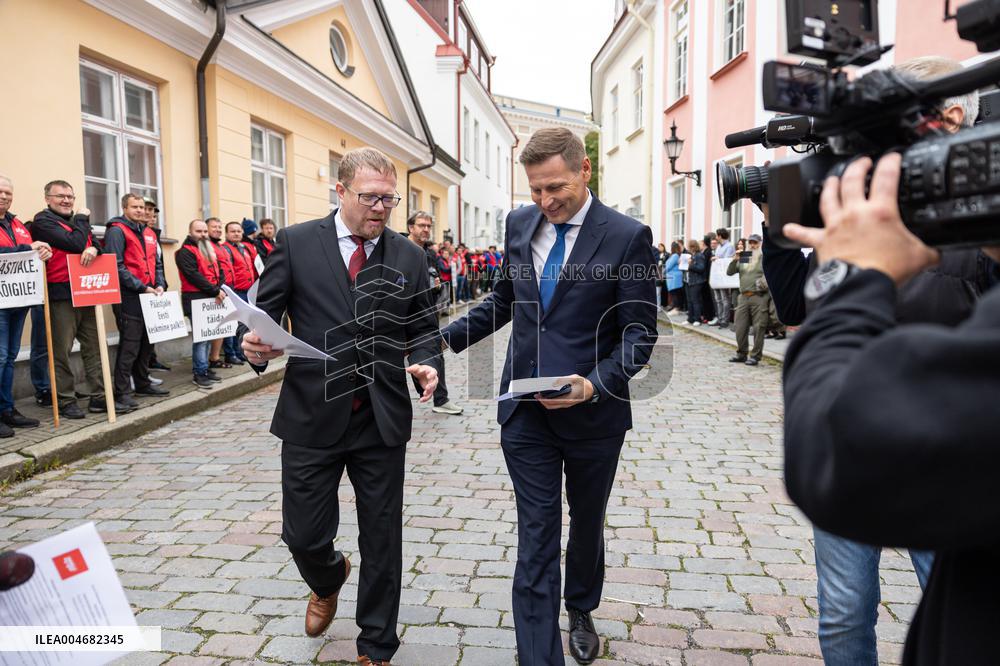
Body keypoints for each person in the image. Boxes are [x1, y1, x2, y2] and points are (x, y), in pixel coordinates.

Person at [762, 55, 991, 666]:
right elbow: (792, 305)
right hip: (873, 424)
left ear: (952, 123)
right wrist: (780, 225)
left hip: (944, 439)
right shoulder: (855, 224)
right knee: (843, 607)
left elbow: (817, 444)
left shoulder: (971, 233)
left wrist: (857, 278)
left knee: (940, 589)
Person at [441, 128, 658, 666]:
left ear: (586, 171)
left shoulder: (628, 236)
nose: (545, 201)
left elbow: (640, 334)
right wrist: (439, 340)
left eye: (556, 187)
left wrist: (593, 384)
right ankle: (538, 655)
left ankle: (581, 605)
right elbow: (504, 301)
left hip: (595, 415)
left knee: (587, 521)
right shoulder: (519, 224)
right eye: (535, 190)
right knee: (537, 532)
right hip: (525, 413)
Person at [241, 147, 439, 666]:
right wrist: (256, 347)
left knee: (382, 538)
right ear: (341, 191)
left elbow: (422, 329)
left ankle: (376, 645)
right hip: (310, 412)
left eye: (388, 200)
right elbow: (266, 316)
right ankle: (327, 578)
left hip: (381, 417)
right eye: (370, 198)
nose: (380, 208)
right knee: (303, 535)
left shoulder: (410, 256)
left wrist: (424, 361)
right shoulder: (296, 242)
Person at [29, 180, 125, 417]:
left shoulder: (77, 222)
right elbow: (73, 243)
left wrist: (95, 250)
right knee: (61, 350)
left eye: (70, 196)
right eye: (60, 196)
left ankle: (99, 397)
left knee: (94, 347)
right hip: (60, 293)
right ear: (47, 199)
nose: (66, 200)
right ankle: (65, 400)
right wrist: (83, 220)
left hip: (87, 290)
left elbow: (93, 243)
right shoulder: (43, 221)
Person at [104, 193, 169, 410]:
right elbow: (115, 265)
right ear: (125, 208)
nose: (140, 210)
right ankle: (121, 391)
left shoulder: (149, 232)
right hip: (129, 296)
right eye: (135, 207)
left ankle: (142, 382)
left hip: (150, 295)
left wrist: (159, 284)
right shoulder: (117, 230)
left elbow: (157, 263)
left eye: (142, 207)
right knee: (130, 344)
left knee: (147, 342)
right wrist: (141, 286)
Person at [0, 175, 51, 436]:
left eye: (8, 192)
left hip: (17, 300)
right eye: (0, 191)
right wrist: (26, 248)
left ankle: (6, 409)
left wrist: (42, 251)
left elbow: (30, 253)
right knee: (0, 357)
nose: (4, 196)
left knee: (9, 357)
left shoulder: (17, 224)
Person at [406, 211, 462, 416]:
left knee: (434, 353)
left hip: (427, 313)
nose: (426, 230)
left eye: (429, 226)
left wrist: (437, 287)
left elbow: (434, 280)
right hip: (404, 314)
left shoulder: (430, 253)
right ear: (411, 227)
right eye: (421, 225)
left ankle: (441, 398)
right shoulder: (401, 250)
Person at [175, 219, 224, 389]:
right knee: (201, 338)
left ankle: (205, 368)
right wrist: (215, 291)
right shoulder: (184, 252)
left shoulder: (208, 249)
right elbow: (193, 276)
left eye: (204, 231)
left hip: (210, 298)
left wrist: (220, 288)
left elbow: (219, 271)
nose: (203, 235)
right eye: (199, 231)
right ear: (190, 232)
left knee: (209, 334)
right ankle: (199, 372)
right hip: (195, 299)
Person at [726, 234, 771, 366]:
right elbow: (730, 272)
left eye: (755, 243)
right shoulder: (745, 256)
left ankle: (756, 356)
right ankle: (741, 353)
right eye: (751, 242)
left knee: (759, 328)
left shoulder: (763, 257)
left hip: (759, 296)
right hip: (743, 296)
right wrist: (735, 259)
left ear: (760, 244)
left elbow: (770, 275)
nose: (753, 245)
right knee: (740, 327)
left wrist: (764, 282)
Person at [143, 196, 171, 374]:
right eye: (145, 209)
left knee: (151, 332)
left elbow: (157, 263)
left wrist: (162, 283)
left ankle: (149, 363)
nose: (149, 214)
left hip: (156, 289)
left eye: (152, 211)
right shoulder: (132, 232)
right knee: (137, 337)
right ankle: (141, 372)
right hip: (141, 289)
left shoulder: (153, 234)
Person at [222, 221, 255, 359]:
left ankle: (240, 351)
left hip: (247, 291)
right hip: (236, 292)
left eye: (238, 231)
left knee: (244, 324)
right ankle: (231, 354)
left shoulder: (244, 248)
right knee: (233, 324)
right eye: (232, 231)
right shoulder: (225, 249)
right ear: (227, 233)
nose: (236, 234)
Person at [712, 228, 737, 327]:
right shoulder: (718, 247)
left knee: (725, 299)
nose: (716, 237)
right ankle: (720, 318)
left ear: (720, 236)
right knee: (718, 299)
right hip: (717, 276)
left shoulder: (729, 246)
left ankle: (725, 320)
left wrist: (717, 259)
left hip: (724, 277)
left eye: (717, 235)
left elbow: (727, 260)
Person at [684, 239, 707, 325]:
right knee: (689, 301)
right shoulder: (690, 255)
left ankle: (697, 319)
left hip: (696, 281)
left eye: (689, 246)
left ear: (693, 247)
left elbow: (701, 268)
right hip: (688, 280)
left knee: (695, 301)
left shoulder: (699, 255)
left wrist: (690, 265)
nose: (688, 248)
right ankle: (690, 318)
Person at [664, 241, 684, 314]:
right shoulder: (674, 255)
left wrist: (662, 271)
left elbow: (668, 266)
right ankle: (676, 308)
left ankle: (676, 309)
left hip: (674, 277)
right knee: (674, 293)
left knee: (675, 293)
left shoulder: (675, 255)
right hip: (672, 276)